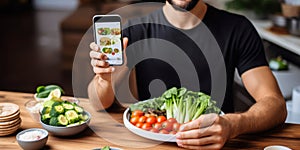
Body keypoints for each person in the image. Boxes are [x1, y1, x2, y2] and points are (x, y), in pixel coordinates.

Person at [88, 0, 287, 149]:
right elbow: (98, 103)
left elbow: (275, 104)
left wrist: (233, 125)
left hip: (214, 145)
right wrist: (103, 80)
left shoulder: (237, 29)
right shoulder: (137, 31)